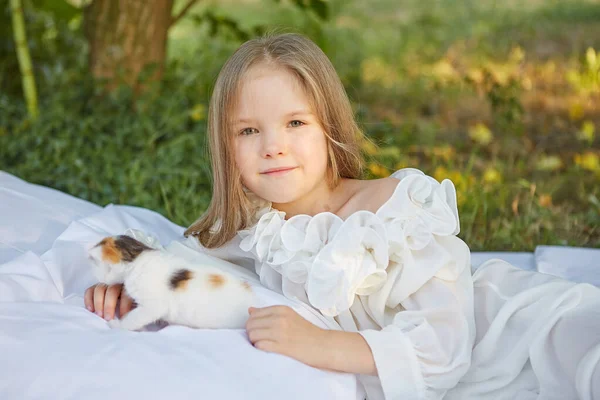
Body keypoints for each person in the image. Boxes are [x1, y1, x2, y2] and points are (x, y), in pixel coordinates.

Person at [84, 33, 600, 400]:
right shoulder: (261, 235)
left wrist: (321, 345)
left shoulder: (392, 210)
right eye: (248, 131)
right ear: (227, 150)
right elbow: (180, 257)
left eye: (295, 122)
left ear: (329, 126)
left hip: (513, 334)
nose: (273, 147)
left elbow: (444, 350)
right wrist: (125, 278)